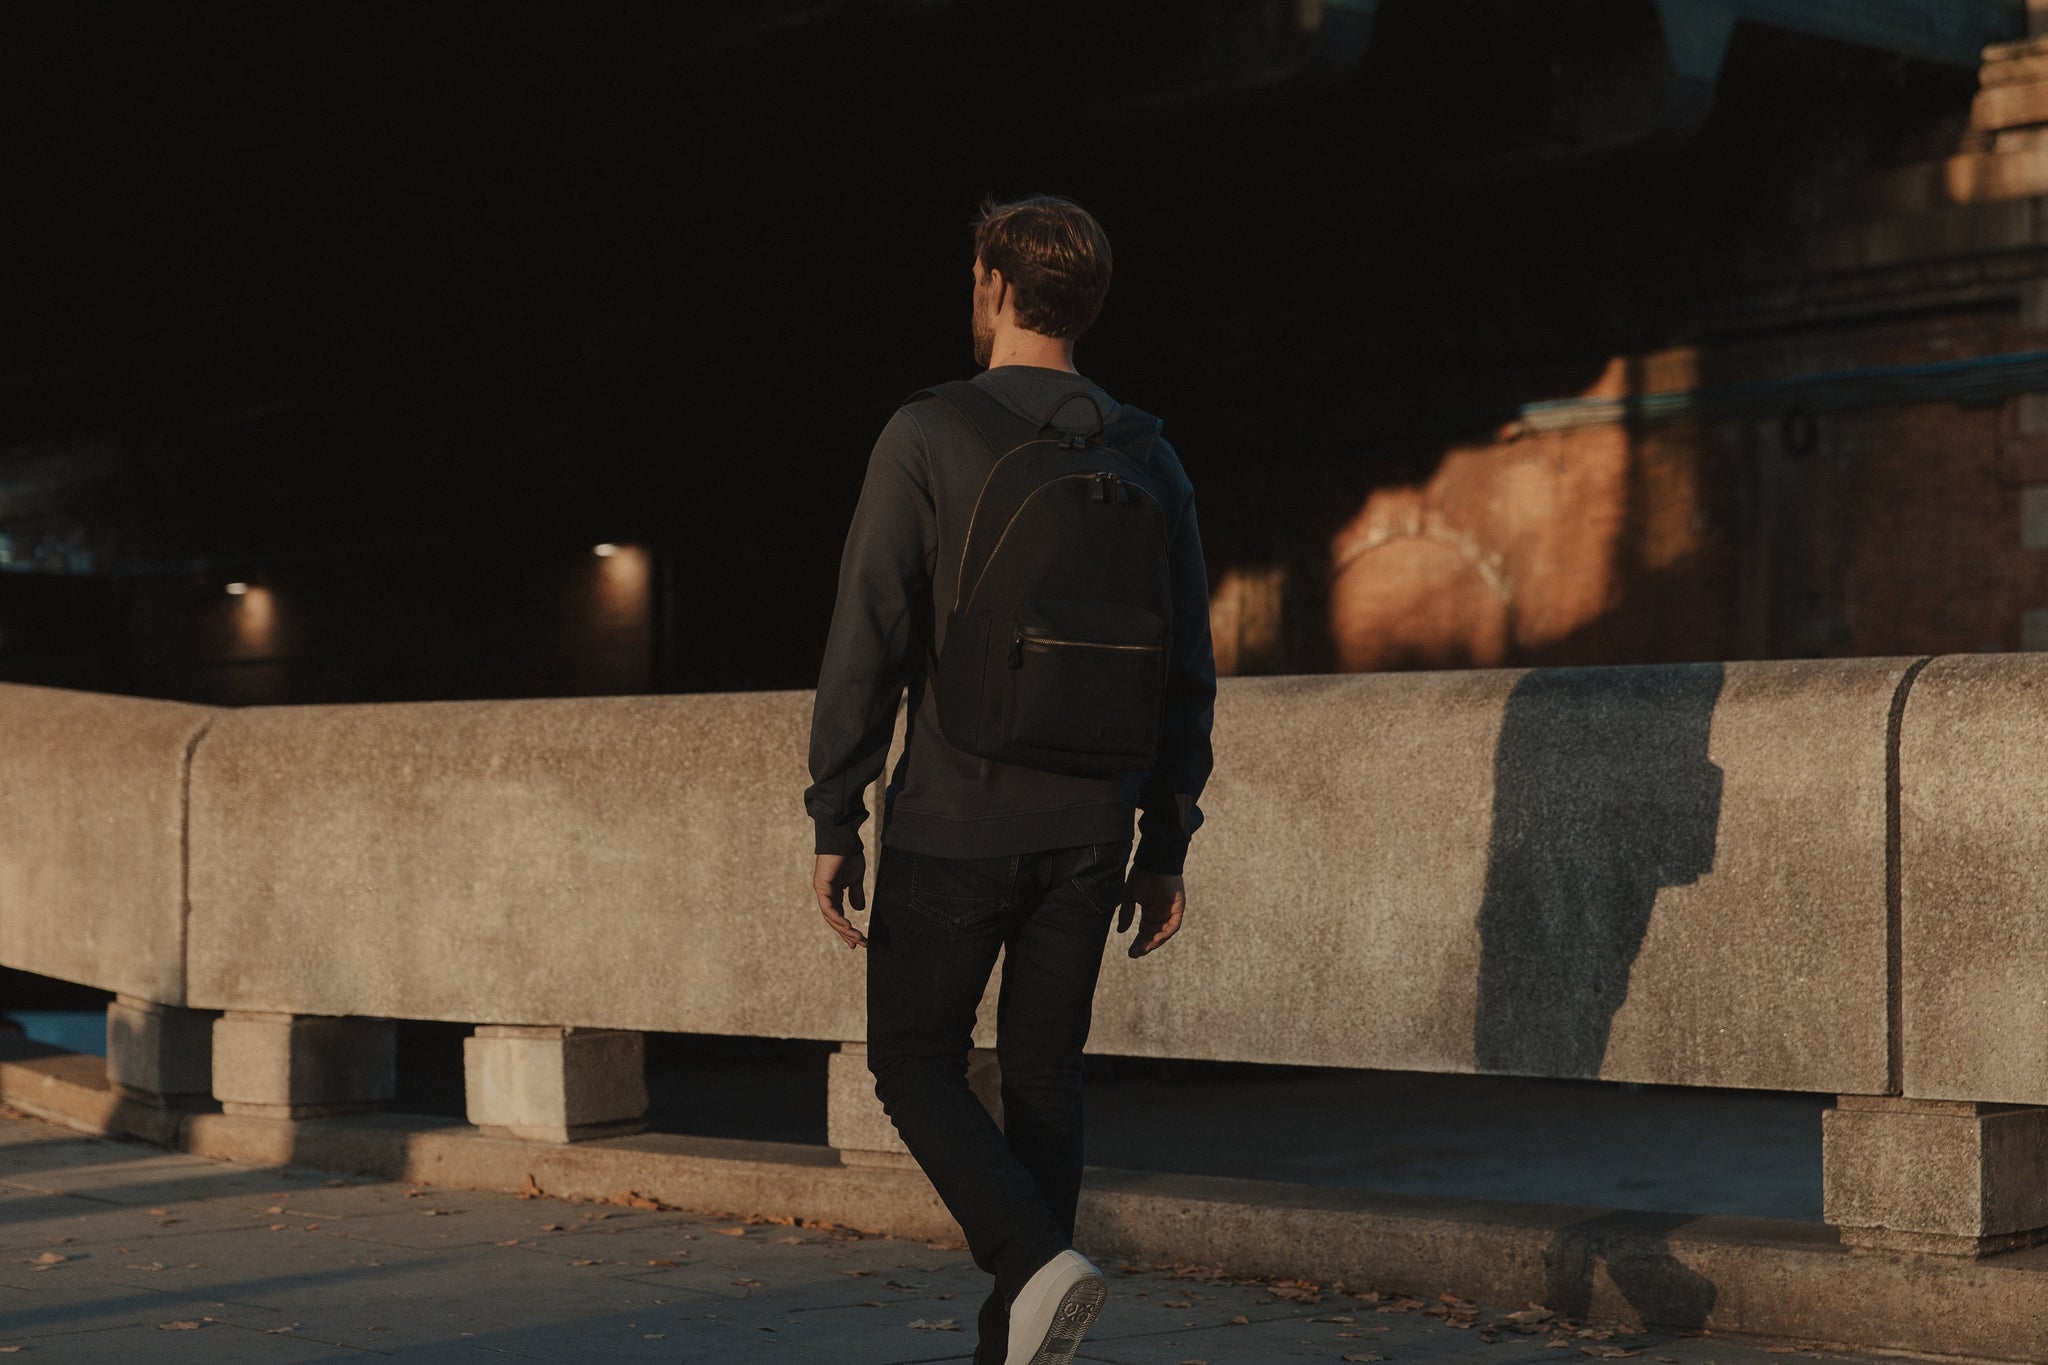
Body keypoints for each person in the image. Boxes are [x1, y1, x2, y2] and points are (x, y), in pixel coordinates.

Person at [803, 193, 1216, 1365]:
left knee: (911, 1064)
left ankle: (1033, 1267)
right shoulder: (1149, 453)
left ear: (990, 286)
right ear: (1085, 305)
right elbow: (1187, 668)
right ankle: (1021, 1341)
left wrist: (834, 810)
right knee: (1043, 1077)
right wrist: (1165, 841)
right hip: (1092, 824)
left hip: (956, 816)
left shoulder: (927, 433)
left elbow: (866, 636)